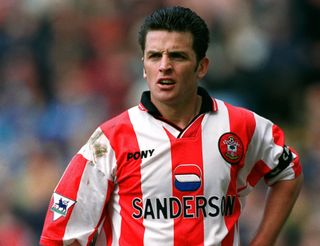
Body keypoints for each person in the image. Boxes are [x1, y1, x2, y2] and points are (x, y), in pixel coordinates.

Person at [40, 6, 303, 246]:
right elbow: (60, 235)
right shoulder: (110, 139)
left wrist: (263, 241)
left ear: (201, 67)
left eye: (177, 56)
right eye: (154, 56)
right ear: (144, 66)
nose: (164, 66)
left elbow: (288, 170)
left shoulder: (240, 124)